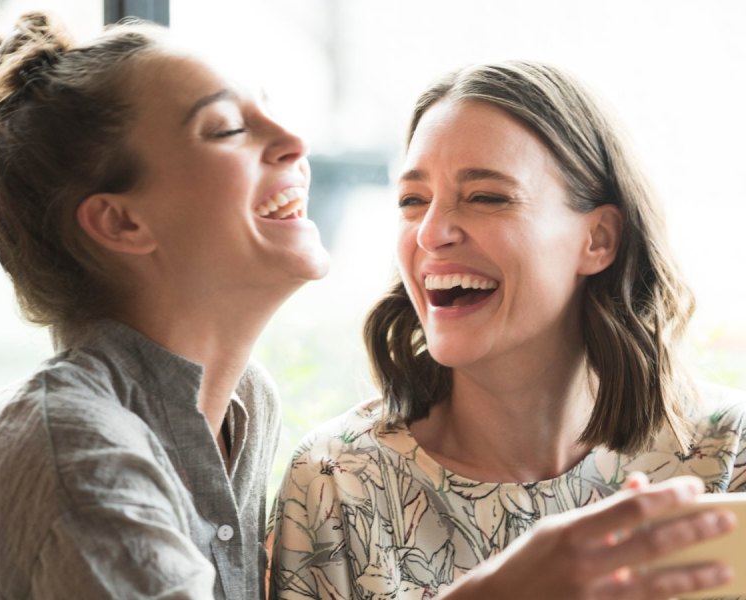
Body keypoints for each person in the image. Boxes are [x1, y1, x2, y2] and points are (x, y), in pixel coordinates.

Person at [268, 60, 746, 599]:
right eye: (412, 201)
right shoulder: (336, 479)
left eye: (486, 197)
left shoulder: (726, 452)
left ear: (598, 239)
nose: (430, 232)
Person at [0, 11, 329, 599]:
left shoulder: (247, 405)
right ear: (120, 221)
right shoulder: (76, 455)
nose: (294, 141)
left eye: (269, 108)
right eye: (227, 128)